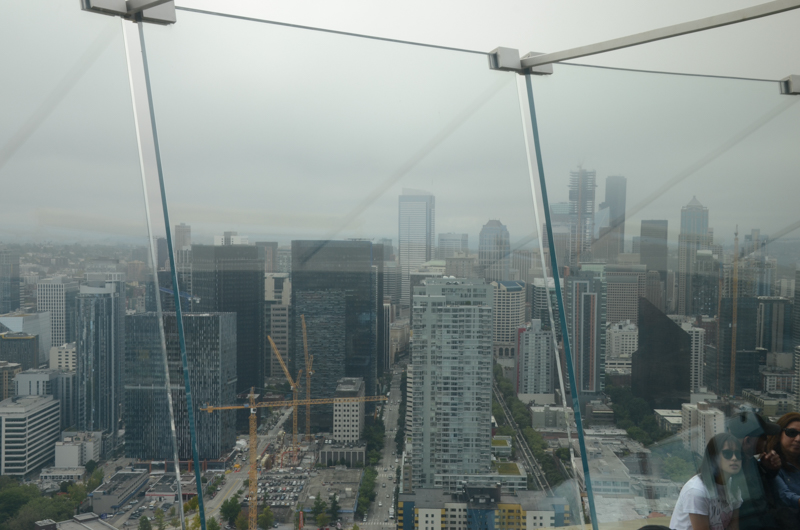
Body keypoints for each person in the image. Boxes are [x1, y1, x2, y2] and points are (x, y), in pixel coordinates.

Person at [670, 433, 744, 530]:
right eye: (727, 454)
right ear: (714, 457)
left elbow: (734, 527)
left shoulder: (733, 486)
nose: (734, 458)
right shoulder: (697, 490)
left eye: (738, 454)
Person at [726, 410, 782, 530]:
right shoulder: (731, 471)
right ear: (748, 441)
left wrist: (767, 468)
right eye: (764, 436)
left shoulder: (747, 460)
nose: (767, 440)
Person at [767, 411, 800, 529]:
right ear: (779, 434)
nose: (798, 439)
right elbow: (784, 495)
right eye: (792, 433)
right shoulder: (771, 462)